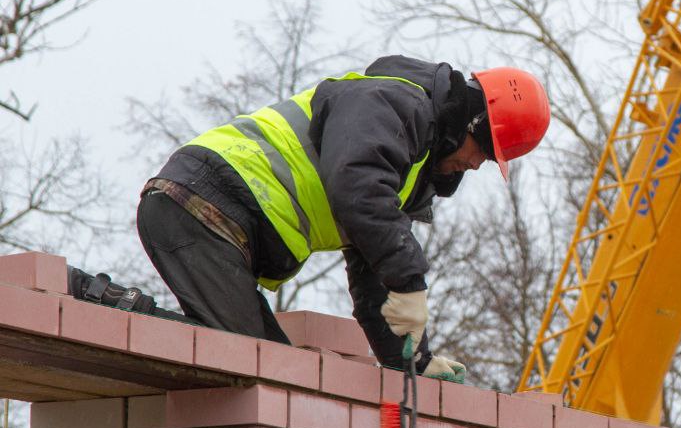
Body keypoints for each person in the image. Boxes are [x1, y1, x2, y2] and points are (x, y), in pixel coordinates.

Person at [71, 56, 550, 379]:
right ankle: (103, 304)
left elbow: (372, 284)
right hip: (204, 203)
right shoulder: (394, 104)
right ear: (468, 124)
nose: (476, 164)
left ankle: (113, 311)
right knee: (249, 365)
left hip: (218, 217)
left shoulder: (404, 168)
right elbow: (355, 186)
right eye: (483, 151)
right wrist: (411, 277)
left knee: (269, 372)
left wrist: (412, 362)